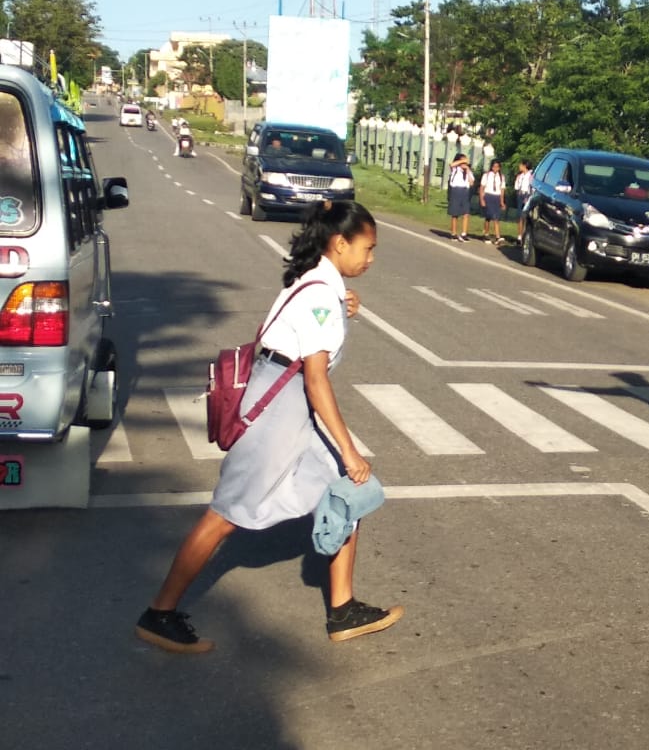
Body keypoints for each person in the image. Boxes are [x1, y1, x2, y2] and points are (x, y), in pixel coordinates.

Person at [134, 201, 403, 653]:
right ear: (340, 244)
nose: (371, 258)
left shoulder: (319, 284)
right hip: (278, 410)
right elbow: (315, 381)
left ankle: (343, 608)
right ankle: (159, 614)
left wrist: (343, 305)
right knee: (225, 516)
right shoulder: (320, 293)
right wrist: (350, 449)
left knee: (347, 490)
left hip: (284, 402)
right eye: (367, 248)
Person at [447, 153, 475, 241]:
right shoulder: (455, 169)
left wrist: (468, 170)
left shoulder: (468, 171)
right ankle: (453, 233)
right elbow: (451, 164)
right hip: (456, 190)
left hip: (465, 191)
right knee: (455, 213)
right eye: (463, 161)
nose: (465, 163)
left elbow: (471, 182)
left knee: (466, 213)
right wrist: (462, 161)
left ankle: (464, 233)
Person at [480, 159, 506, 244]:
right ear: (491, 167)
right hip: (488, 196)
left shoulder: (501, 177)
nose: (495, 168)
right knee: (489, 216)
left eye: (497, 167)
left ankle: (497, 237)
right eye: (494, 166)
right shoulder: (486, 175)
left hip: (497, 197)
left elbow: (502, 190)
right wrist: (482, 199)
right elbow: (482, 188)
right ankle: (486, 234)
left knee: (496, 217)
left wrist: (502, 202)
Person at [514, 159, 534, 244]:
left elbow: (532, 188)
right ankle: (519, 236)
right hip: (520, 194)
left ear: (525, 166)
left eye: (521, 165)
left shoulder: (531, 175)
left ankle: (525, 236)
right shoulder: (520, 176)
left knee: (525, 216)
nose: (519, 167)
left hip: (527, 195)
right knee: (519, 216)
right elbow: (516, 186)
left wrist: (529, 197)